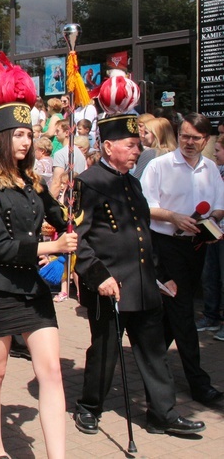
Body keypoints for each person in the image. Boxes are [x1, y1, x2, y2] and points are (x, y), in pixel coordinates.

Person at [72, 113, 206, 437]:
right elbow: (80, 239)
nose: (137, 150)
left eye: (137, 145)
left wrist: (160, 275)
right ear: (107, 146)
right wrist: (97, 276)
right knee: (104, 353)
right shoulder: (89, 182)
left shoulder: (132, 182)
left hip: (144, 285)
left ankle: (163, 414)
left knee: (154, 352)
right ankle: (90, 407)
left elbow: (144, 233)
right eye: (130, 145)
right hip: (110, 287)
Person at [0, 94, 77, 459]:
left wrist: (72, 191)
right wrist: (52, 248)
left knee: (52, 373)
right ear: (0, 139)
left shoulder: (33, 184)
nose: (26, 142)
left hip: (31, 288)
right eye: (17, 135)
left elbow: (65, 220)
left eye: (28, 134)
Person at [141, 112, 224, 405]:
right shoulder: (159, 165)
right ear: (179, 134)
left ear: (206, 140)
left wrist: (210, 222)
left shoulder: (211, 168)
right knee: (183, 311)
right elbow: (146, 205)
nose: (189, 142)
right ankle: (198, 383)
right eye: (185, 136)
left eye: (196, 138)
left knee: (173, 312)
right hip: (166, 246)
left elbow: (218, 206)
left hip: (197, 246)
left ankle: (150, 360)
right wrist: (174, 217)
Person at [198, 134, 224, 339]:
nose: (215, 154)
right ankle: (211, 315)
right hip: (214, 233)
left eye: (218, 150)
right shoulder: (217, 171)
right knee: (210, 276)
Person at [49, 120, 87, 199]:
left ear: (66, 133)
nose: (55, 134)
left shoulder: (60, 154)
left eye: (58, 131)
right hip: (76, 197)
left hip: (64, 198)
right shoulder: (81, 154)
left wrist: (50, 203)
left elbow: (57, 182)